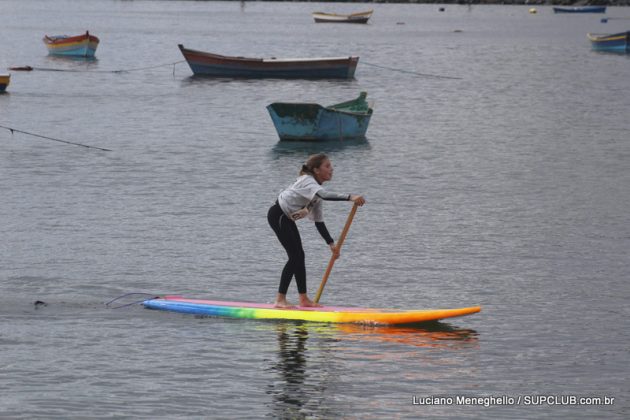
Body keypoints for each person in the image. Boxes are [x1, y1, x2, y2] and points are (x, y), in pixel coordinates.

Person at [267, 153, 366, 308]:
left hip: (287, 218)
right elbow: (325, 195)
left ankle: (304, 299)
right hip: (278, 215)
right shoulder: (308, 181)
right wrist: (350, 197)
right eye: (327, 166)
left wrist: (331, 244)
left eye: (331, 166)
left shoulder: (316, 193)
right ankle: (280, 300)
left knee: (300, 256)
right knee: (294, 257)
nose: (331, 169)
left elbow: (319, 222)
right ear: (316, 170)